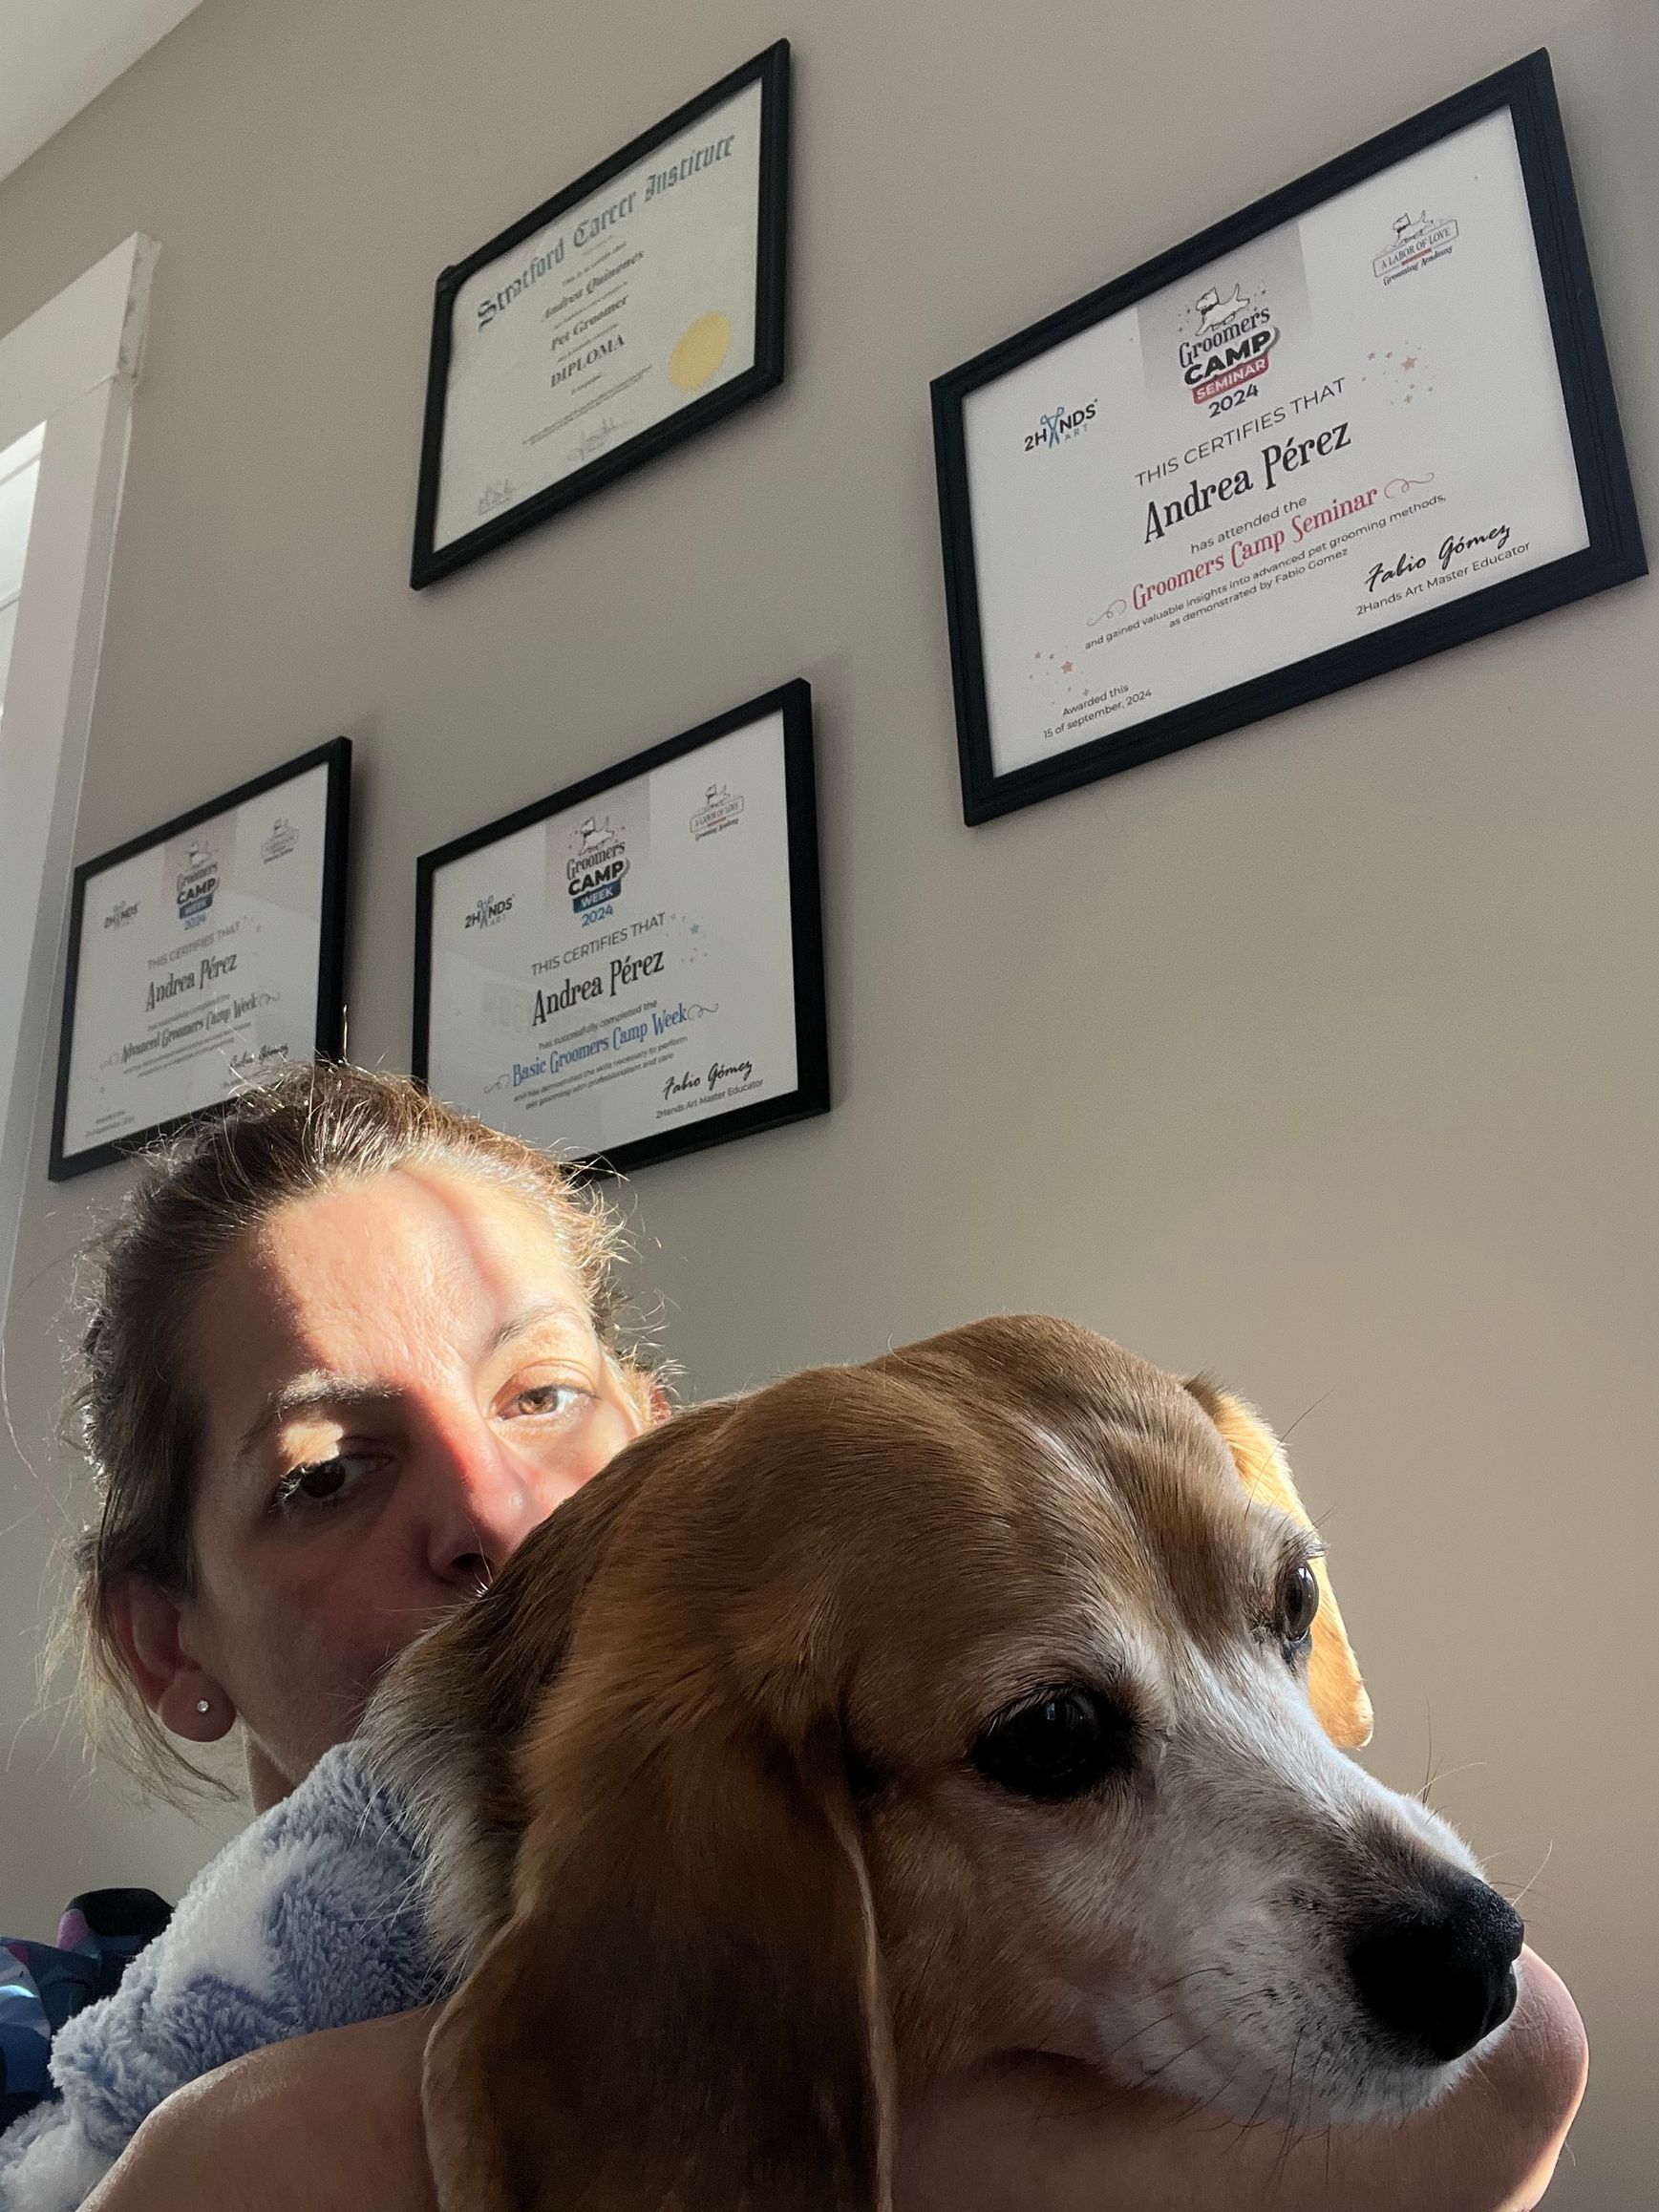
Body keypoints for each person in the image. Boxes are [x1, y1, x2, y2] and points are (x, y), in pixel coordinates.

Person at [6, 1066, 1584, 2210]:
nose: (488, 1509)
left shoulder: (855, 1668)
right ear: (166, 1644)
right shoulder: (56, 2039)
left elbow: (1516, 2063)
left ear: (670, 1448)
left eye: (541, 1395)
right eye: (327, 1475)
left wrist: (317, 2144)